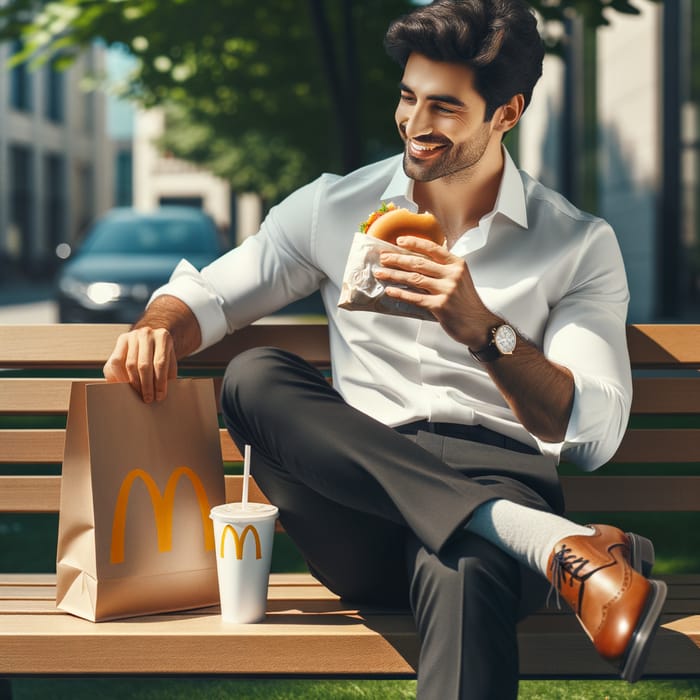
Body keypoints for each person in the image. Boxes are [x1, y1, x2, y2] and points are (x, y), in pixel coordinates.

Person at [104, 1, 667, 697]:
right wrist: (156, 324)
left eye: (445, 108)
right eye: (408, 98)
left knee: (464, 562)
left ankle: (512, 533)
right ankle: (551, 543)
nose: (415, 125)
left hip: (500, 470)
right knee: (253, 377)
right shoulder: (334, 207)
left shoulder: (576, 243)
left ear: (507, 113)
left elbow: (593, 433)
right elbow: (211, 296)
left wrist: (484, 331)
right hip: (356, 503)